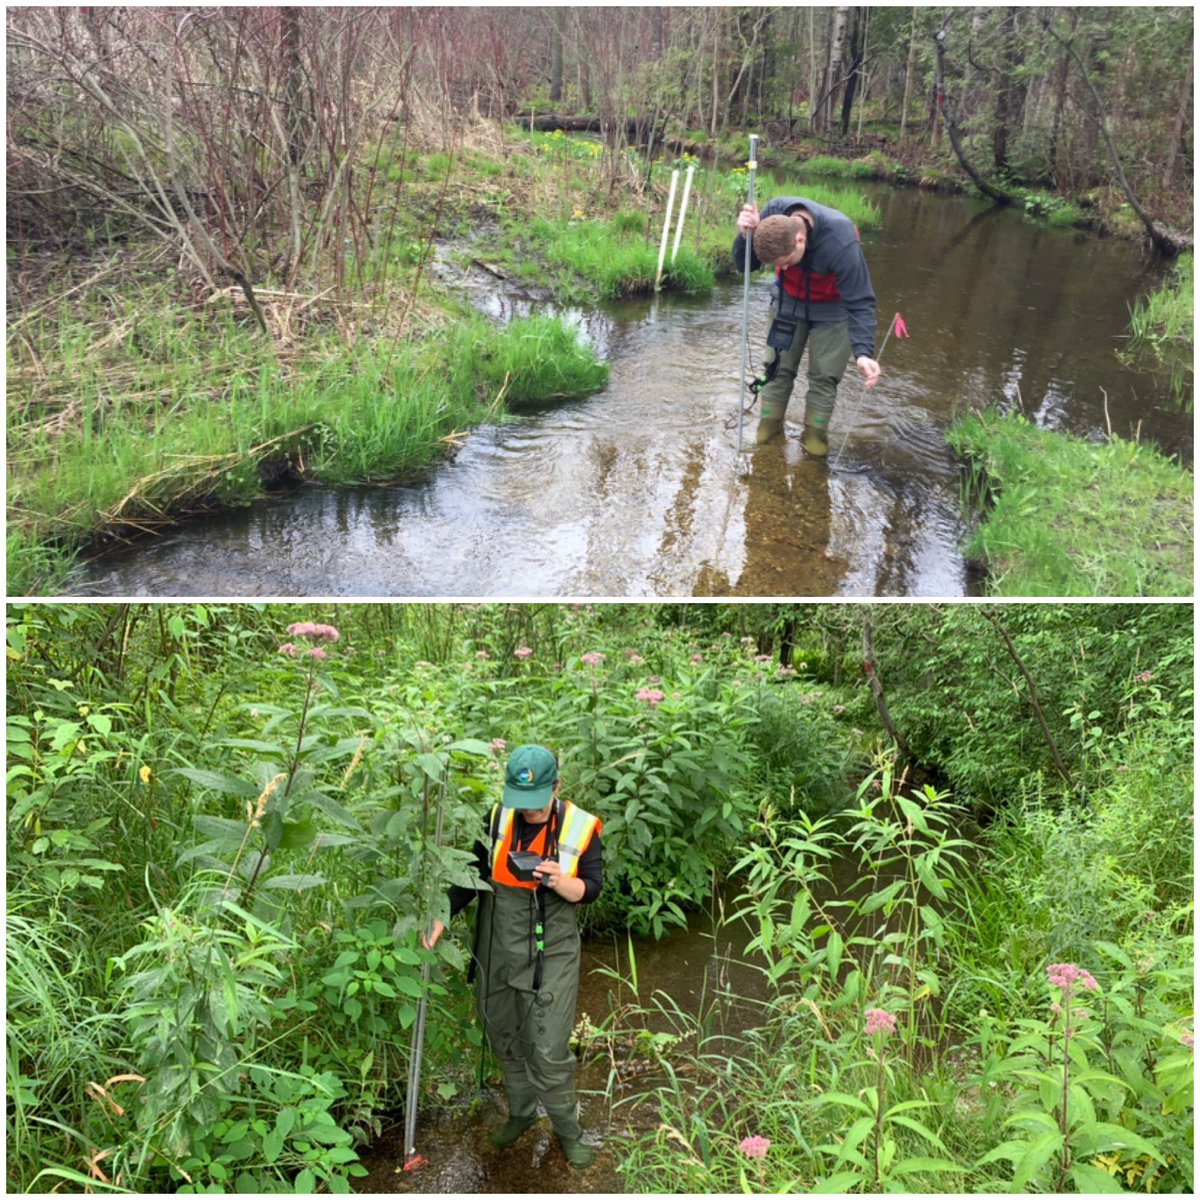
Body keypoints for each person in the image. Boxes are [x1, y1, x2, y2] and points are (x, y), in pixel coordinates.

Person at [423, 744, 603, 1169]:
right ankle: (522, 1113)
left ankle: (567, 1129)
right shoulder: (499, 816)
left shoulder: (582, 826)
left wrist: (561, 881)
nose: (528, 812)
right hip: (496, 943)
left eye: (537, 803)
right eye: (521, 803)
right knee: (501, 1030)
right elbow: (473, 870)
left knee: (547, 1047)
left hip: (551, 951)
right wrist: (443, 913)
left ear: (556, 787)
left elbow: (592, 887)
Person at [733, 196, 881, 455]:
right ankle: (768, 428)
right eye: (778, 265)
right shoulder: (772, 215)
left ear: (800, 240)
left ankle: (814, 438)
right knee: (776, 368)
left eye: (787, 262)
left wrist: (863, 352)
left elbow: (860, 300)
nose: (784, 267)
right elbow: (743, 266)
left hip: (833, 309)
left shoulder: (841, 240)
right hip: (788, 302)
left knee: (824, 376)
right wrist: (746, 236)